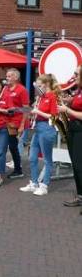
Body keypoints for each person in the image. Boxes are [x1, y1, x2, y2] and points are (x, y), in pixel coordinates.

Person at [20, 74, 59, 196]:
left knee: (47, 159)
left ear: (46, 84)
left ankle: (44, 185)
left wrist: (38, 111)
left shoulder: (52, 96)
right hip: (37, 128)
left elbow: (54, 117)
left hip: (47, 128)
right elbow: (35, 112)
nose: (37, 88)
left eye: (39, 85)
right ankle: (34, 183)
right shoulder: (40, 97)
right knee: (32, 157)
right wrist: (24, 110)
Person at [59, 64, 82, 209]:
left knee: (80, 165)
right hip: (73, 129)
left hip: (80, 130)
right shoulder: (78, 90)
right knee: (75, 164)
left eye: (76, 74)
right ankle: (80, 195)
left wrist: (67, 110)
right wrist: (69, 102)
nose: (74, 76)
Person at [3, 68, 29, 179]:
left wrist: (22, 125)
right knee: (6, 145)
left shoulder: (22, 90)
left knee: (13, 146)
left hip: (16, 123)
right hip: (6, 121)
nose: (7, 78)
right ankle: (1, 168)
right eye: (7, 76)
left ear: (16, 77)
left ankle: (18, 170)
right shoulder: (5, 89)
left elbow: (26, 109)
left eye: (9, 76)